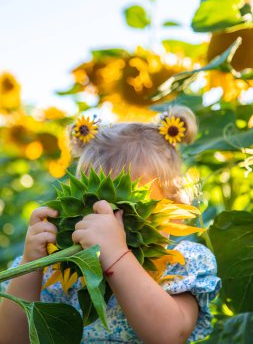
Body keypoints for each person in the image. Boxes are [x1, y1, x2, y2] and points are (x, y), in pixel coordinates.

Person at [0, 106, 221, 344]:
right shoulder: (63, 273)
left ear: (174, 208)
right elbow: (10, 339)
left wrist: (117, 256)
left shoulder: (180, 265)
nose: (109, 226)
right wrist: (32, 265)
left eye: (130, 210)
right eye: (94, 208)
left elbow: (169, 334)